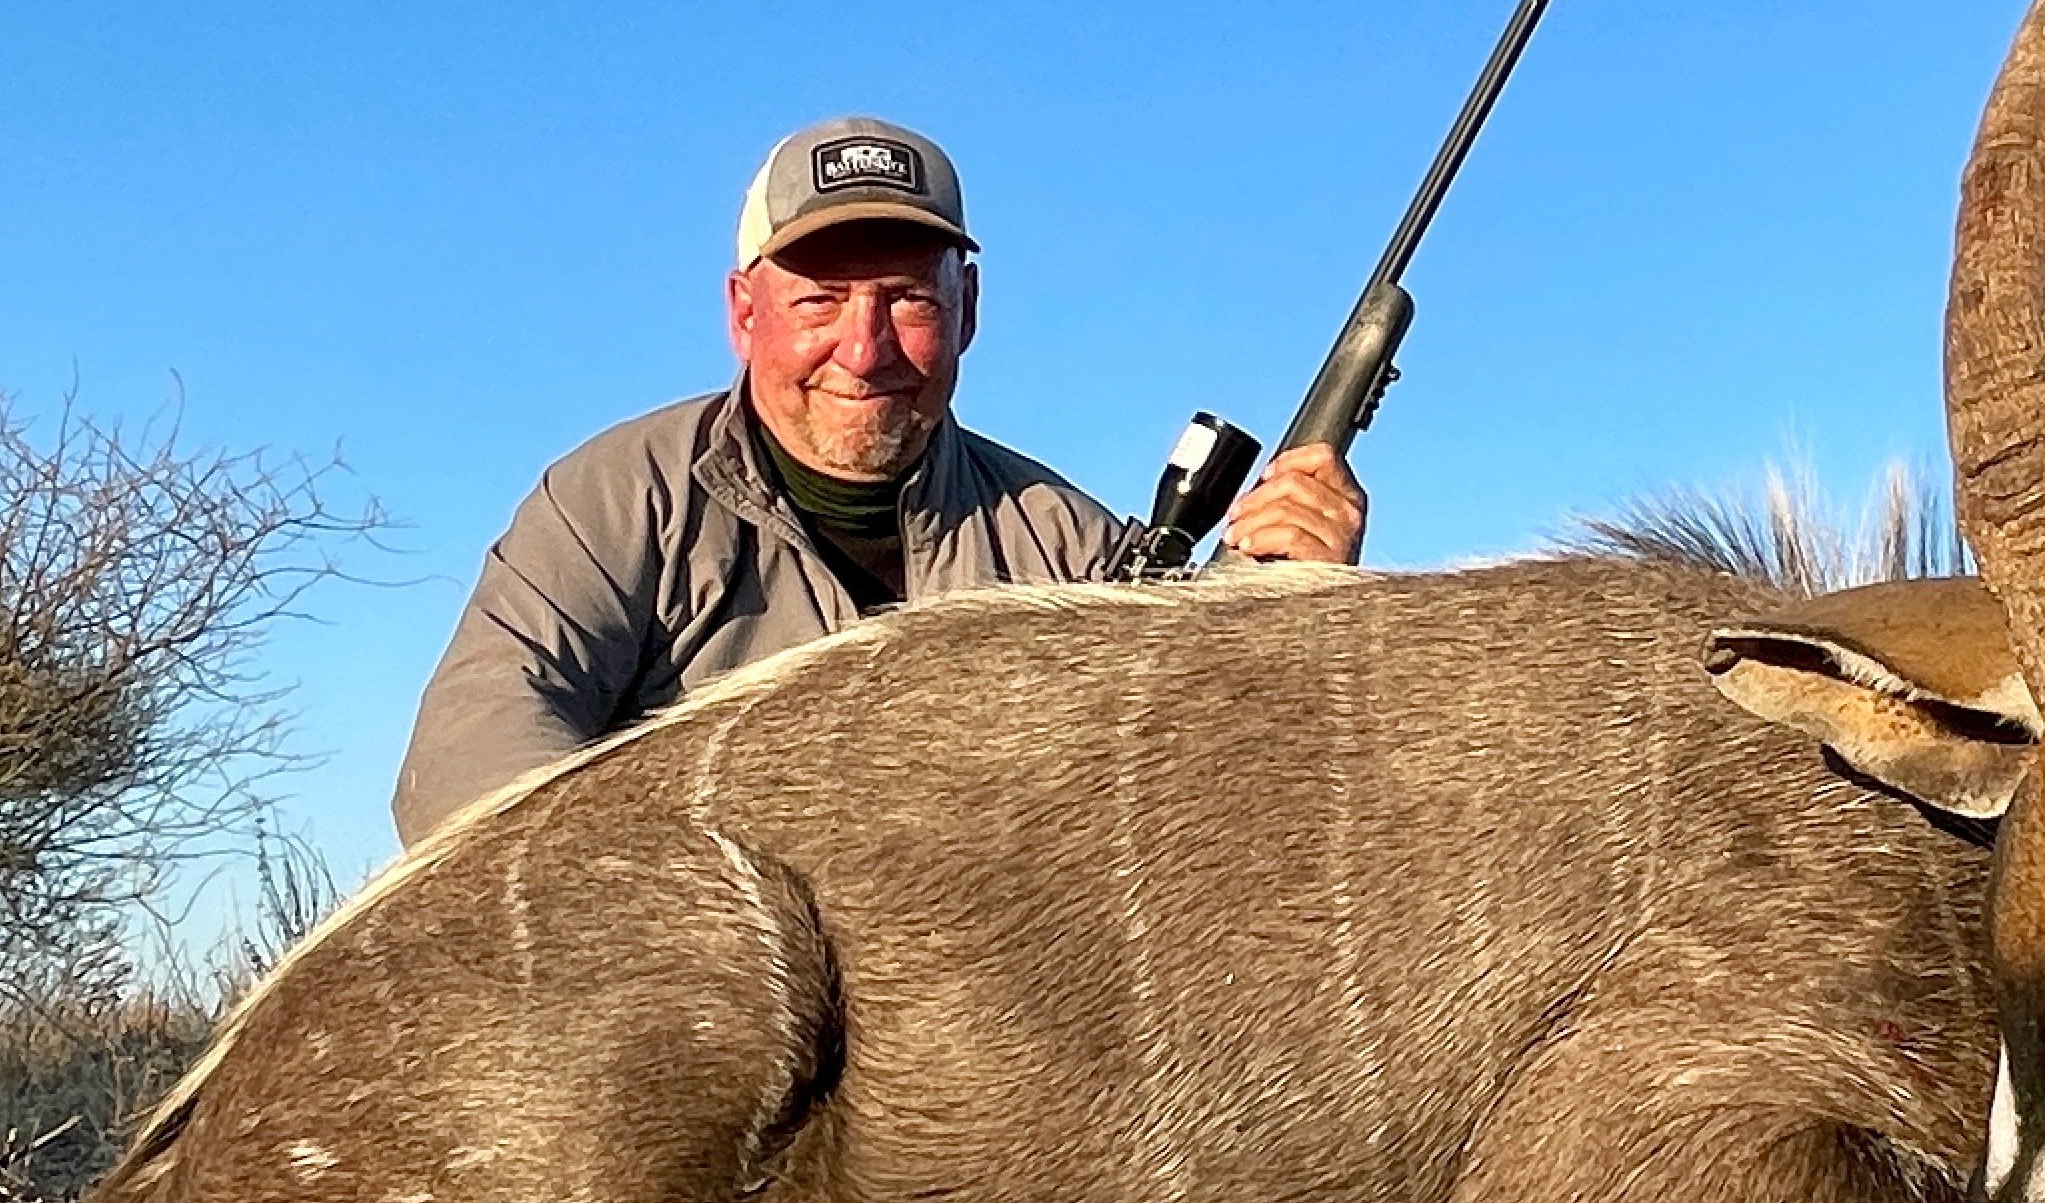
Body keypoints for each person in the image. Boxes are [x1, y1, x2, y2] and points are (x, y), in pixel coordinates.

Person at [390, 114, 1366, 842]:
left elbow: (1210, 804)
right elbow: (474, 743)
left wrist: (1289, 624)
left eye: (906, 300)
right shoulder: (617, 498)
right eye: (818, 300)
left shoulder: (1070, 549)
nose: (861, 350)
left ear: (967, 308)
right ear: (743, 314)